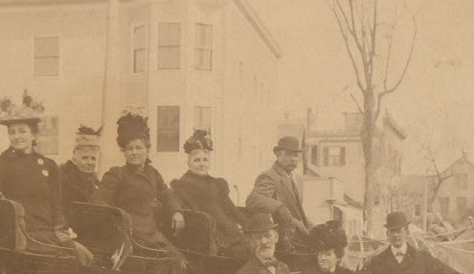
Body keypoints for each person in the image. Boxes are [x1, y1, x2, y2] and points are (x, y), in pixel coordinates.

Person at [0, 91, 94, 265]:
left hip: (47, 232)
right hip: (19, 234)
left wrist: (60, 230)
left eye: (22, 131)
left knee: (85, 257)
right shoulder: (1, 163)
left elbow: (56, 205)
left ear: (34, 135)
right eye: (12, 132)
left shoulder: (48, 165)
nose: (17, 136)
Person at [98, 111, 187, 261]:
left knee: (181, 263)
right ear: (124, 152)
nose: (134, 152)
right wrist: (119, 224)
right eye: (129, 148)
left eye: (138, 148)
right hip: (131, 236)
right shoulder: (116, 174)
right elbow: (101, 201)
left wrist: (176, 211)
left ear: (147, 149)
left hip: (152, 234)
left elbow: (165, 193)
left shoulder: (153, 173)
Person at [171, 129, 250, 260]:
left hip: (227, 229)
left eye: (205, 160)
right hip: (209, 234)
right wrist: (235, 233)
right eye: (197, 160)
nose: (202, 165)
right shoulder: (184, 184)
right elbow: (201, 214)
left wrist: (247, 226)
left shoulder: (216, 183)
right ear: (188, 162)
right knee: (243, 250)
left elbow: (230, 207)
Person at [246, 134, 313, 248]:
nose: (293, 159)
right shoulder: (269, 176)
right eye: (288, 154)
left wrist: (311, 226)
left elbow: (296, 212)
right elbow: (253, 200)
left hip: (297, 238)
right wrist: (279, 207)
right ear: (278, 155)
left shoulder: (290, 177)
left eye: (296, 155)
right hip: (283, 242)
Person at [61, 125, 105, 211]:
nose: (90, 163)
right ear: (74, 157)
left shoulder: (94, 181)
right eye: (85, 158)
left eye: (93, 158)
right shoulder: (65, 179)